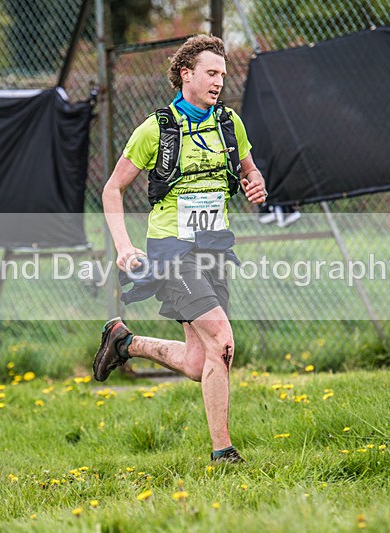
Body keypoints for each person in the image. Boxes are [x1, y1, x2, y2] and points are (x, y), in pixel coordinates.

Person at [92, 35, 267, 463]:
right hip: (173, 249)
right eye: (211, 73)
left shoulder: (229, 123)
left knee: (197, 361)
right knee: (223, 340)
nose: (218, 82)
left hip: (215, 248)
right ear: (186, 73)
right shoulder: (156, 129)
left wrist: (255, 182)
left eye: (223, 75)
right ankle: (223, 452)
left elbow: (249, 169)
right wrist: (123, 245)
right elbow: (112, 189)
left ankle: (124, 342)